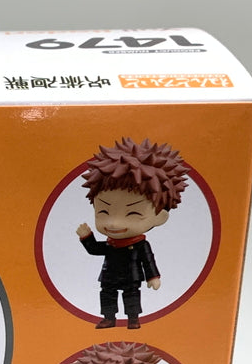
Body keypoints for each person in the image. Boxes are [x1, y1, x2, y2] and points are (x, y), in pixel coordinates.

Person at [76, 137, 187, 329]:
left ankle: (133, 318)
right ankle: (109, 317)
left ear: (159, 217)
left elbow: (148, 260)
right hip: (109, 275)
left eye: (133, 213)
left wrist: (153, 276)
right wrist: (87, 237)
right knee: (107, 294)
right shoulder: (111, 243)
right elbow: (95, 249)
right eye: (104, 211)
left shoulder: (140, 244)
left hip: (131, 276)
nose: (114, 223)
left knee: (132, 295)